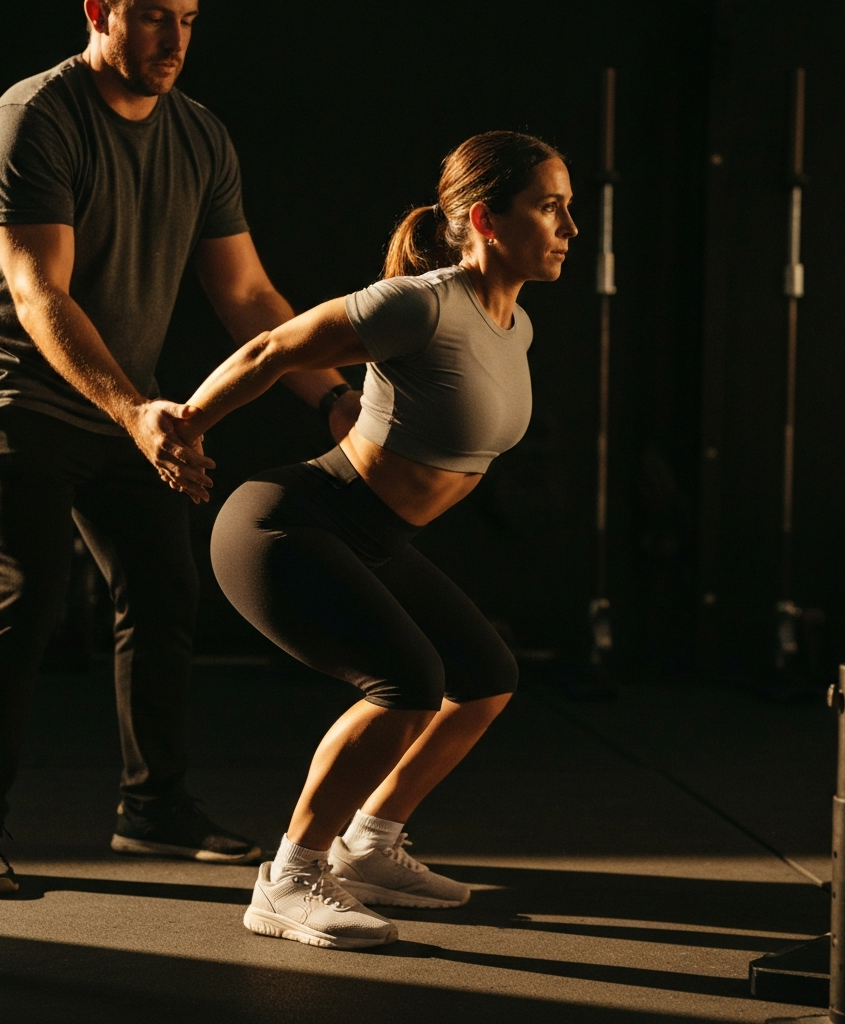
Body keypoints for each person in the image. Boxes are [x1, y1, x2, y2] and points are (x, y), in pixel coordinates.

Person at [0, 0, 361, 896]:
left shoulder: (200, 136)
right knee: (25, 595)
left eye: (188, 17)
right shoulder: (32, 121)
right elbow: (35, 292)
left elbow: (246, 292)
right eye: (149, 17)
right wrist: (138, 412)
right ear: (99, 12)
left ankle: (154, 810)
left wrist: (329, 396)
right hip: (17, 392)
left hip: (129, 406)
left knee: (165, 593)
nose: (173, 41)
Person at [164, 131, 577, 948]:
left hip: (372, 535)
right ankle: (288, 878)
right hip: (286, 522)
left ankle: (368, 847)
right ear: (488, 219)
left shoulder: (515, 325)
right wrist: (184, 430)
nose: (570, 227)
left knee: (485, 675)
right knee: (408, 681)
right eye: (551, 207)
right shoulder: (420, 302)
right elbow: (274, 347)